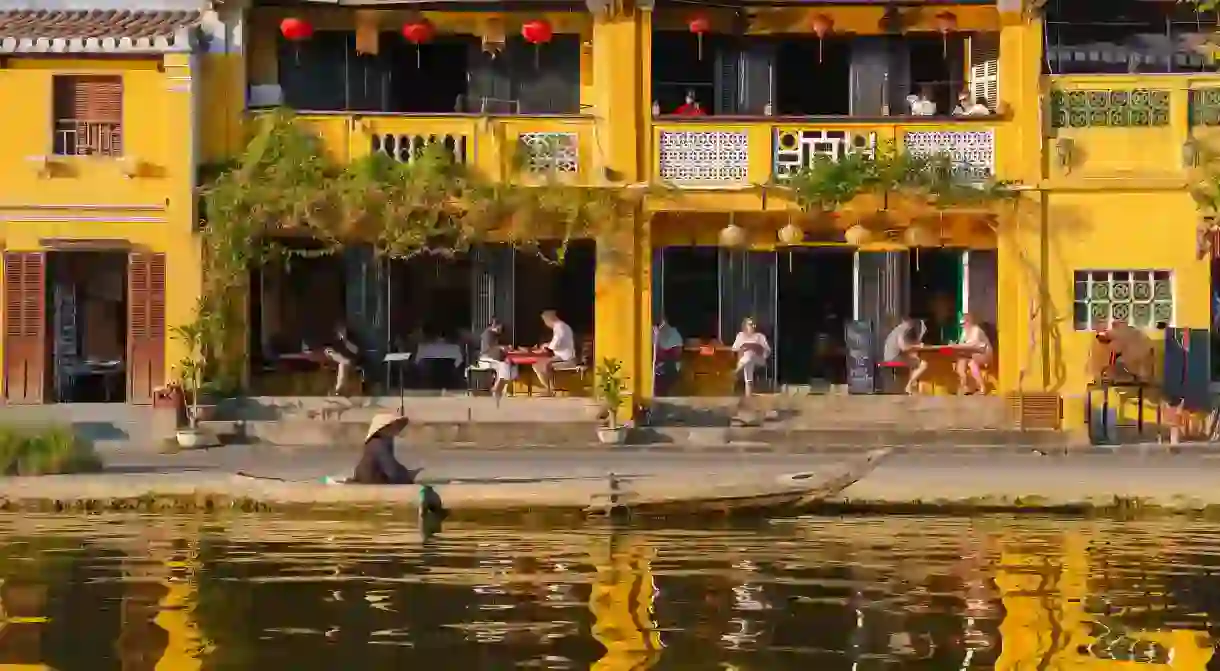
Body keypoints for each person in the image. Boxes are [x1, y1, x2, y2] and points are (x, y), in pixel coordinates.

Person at [350, 413, 416, 485]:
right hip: (370, 483)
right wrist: (407, 476)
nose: (396, 429)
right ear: (382, 429)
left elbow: (390, 466)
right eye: (392, 426)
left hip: (368, 480)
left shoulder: (379, 442)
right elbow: (392, 472)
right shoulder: (378, 444)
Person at [532, 310, 577, 396]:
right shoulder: (562, 326)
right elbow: (557, 341)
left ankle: (549, 390)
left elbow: (556, 343)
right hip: (564, 356)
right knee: (543, 363)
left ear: (549, 319)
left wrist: (546, 347)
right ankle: (550, 389)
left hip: (566, 358)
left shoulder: (559, 327)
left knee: (538, 365)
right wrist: (548, 345)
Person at [882, 317, 929, 395]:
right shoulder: (902, 330)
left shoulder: (899, 329)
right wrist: (917, 346)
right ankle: (909, 385)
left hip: (892, 356)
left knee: (914, 359)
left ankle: (911, 386)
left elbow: (905, 348)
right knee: (923, 364)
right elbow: (904, 347)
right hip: (893, 358)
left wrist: (915, 346)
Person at [955, 313, 993, 395]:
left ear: (968, 322)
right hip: (973, 353)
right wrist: (955, 345)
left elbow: (973, 344)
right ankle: (965, 385)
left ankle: (982, 386)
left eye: (963, 323)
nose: (962, 326)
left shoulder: (976, 330)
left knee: (972, 363)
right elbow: (961, 344)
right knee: (961, 361)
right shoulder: (965, 332)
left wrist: (960, 346)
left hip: (985, 353)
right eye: (960, 324)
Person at [732, 317, 771, 396]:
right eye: (750, 324)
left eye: (754, 324)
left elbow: (768, 350)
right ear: (745, 325)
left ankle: (736, 371)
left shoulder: (760, 336)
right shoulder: (740, 336)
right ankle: (748, 395)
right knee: (748, 360)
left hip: (758, 359)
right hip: (744, 360)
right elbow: (734, 349)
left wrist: (759, 351)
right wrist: (743, 348)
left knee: (750, 356)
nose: (753, 326)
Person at [478, 317, 516, 399]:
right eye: (499, 327)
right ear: (493, 326)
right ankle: (497, 389)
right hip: (486, 358)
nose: (500, 329)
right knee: (504, 366)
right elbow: (490, 349)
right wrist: (502, 348)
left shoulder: (495, 335)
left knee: (510, 367)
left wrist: (505, 348)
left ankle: (499, 389)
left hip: (494, 358)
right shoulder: (487, 334)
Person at [324, 322, 362, 396]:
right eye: (339, 331)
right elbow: (328, 349)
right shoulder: (335, 340)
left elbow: (356, 351)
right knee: (342, 361)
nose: (341, 332)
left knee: (344, 363)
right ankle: (340, 389)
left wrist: (345, 341)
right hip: (338, 359)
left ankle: (339, 389)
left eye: (342, 330)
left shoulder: (352, 338)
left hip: (351, 361)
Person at [653, 316, 683, 397]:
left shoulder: (672, 333)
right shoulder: (652, 331)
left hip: (666, 372)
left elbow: (676, 353)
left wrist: (660, 352)